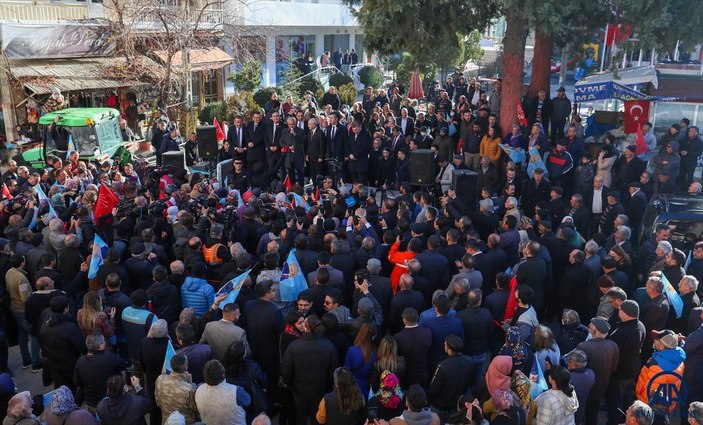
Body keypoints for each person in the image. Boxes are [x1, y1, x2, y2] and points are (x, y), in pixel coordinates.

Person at [281, 315, 339, 425]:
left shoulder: (294, 346)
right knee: (317, 418)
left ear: (307, 328)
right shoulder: (329, 346)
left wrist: (291, 384)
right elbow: (333, 372)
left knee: (300, 418)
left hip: (299, 391)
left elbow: (285, 370)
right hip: (320, 390)